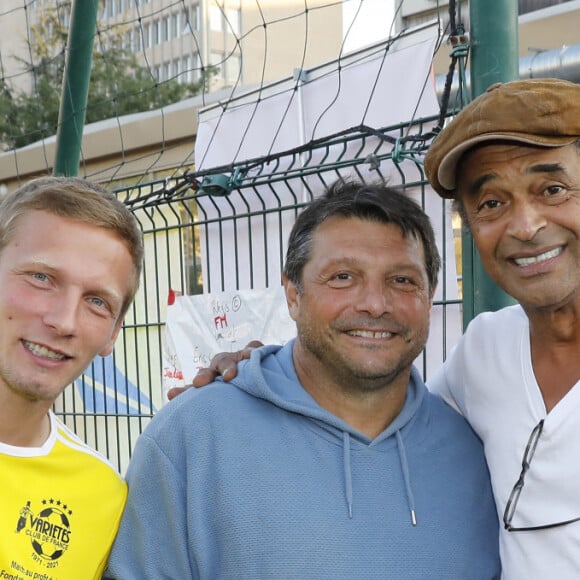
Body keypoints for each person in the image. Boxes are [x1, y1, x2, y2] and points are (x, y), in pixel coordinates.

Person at [189, 77, 580, 580]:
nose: (525, 225)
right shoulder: (484, 354)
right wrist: (264, 372)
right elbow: (370, 391)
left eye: (553, 189)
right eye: (491, 203)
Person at [105, 180, 500, 579]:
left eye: (402, 280)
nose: (375, 304)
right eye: (343, 277)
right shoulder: (193, 437)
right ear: (292, 295)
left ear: (429, 295)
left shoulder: (475, 450)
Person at [0, 176, 144, 579]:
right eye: (41, 278)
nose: (64, 321)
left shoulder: (103, 498)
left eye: (96, 301)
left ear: (113, 333)